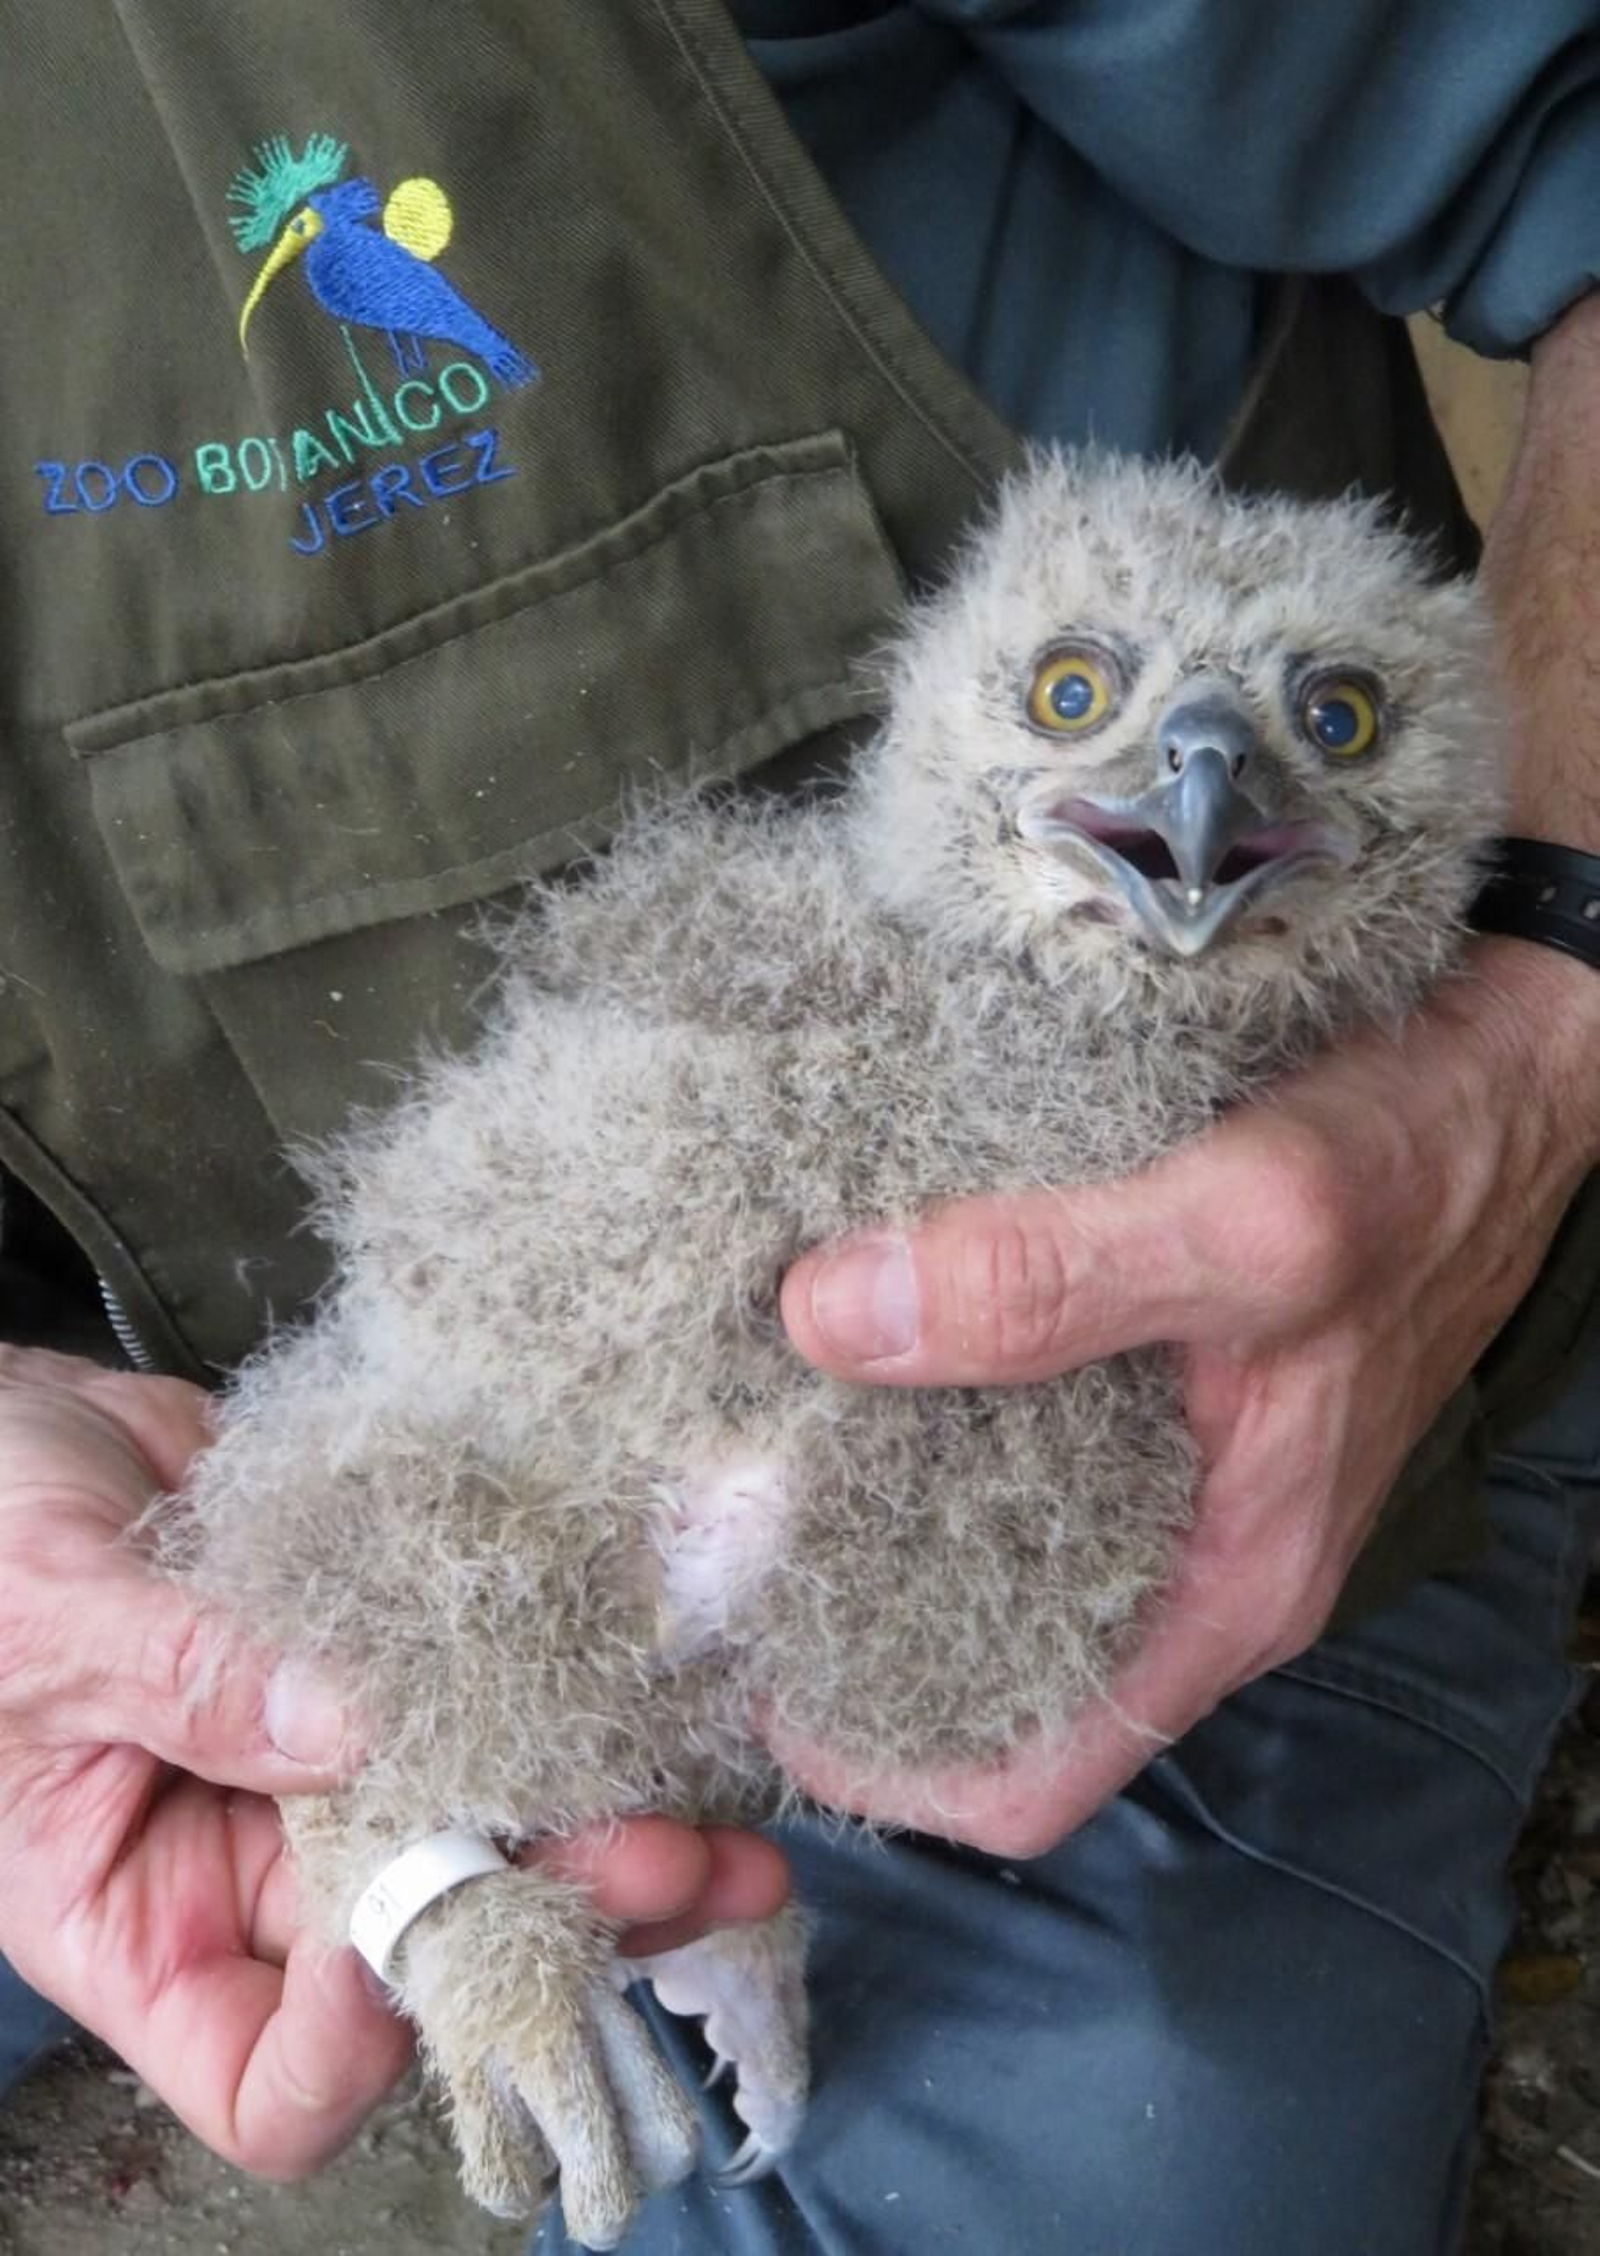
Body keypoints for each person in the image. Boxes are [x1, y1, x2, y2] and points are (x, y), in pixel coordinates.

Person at [1, 4, 1597, 2249]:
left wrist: (1534, 1026)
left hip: (1283, 1425)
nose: (1197, 771)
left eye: (1320, 720)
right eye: (1081, 699)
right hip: (251, 1476)